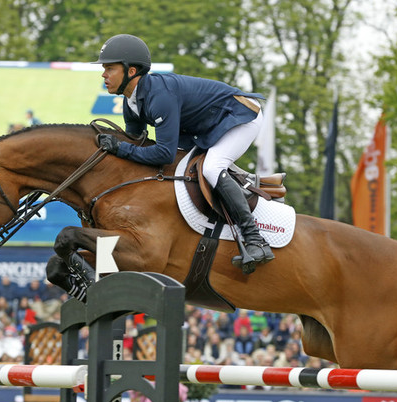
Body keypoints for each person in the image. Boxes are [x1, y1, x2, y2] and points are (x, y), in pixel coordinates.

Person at [92, 34, 273, 274]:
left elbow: (163, 154)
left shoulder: (159, 96)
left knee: (211, 167)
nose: (104, 74)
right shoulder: (131, 103)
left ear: (131, 71)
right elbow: (137, 145)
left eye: (109, 68)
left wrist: (119, 148)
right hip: (205, 126)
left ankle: (255, 240)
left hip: (239, 115)